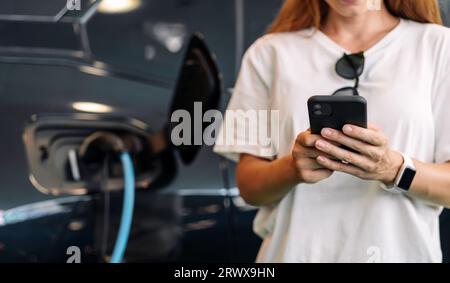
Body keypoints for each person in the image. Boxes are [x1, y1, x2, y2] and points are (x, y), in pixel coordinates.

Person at [214, 0, 450, 263]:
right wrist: (292, 169)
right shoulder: (269, 53)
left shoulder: (438, 47)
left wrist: (392, 168)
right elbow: (249, 188)